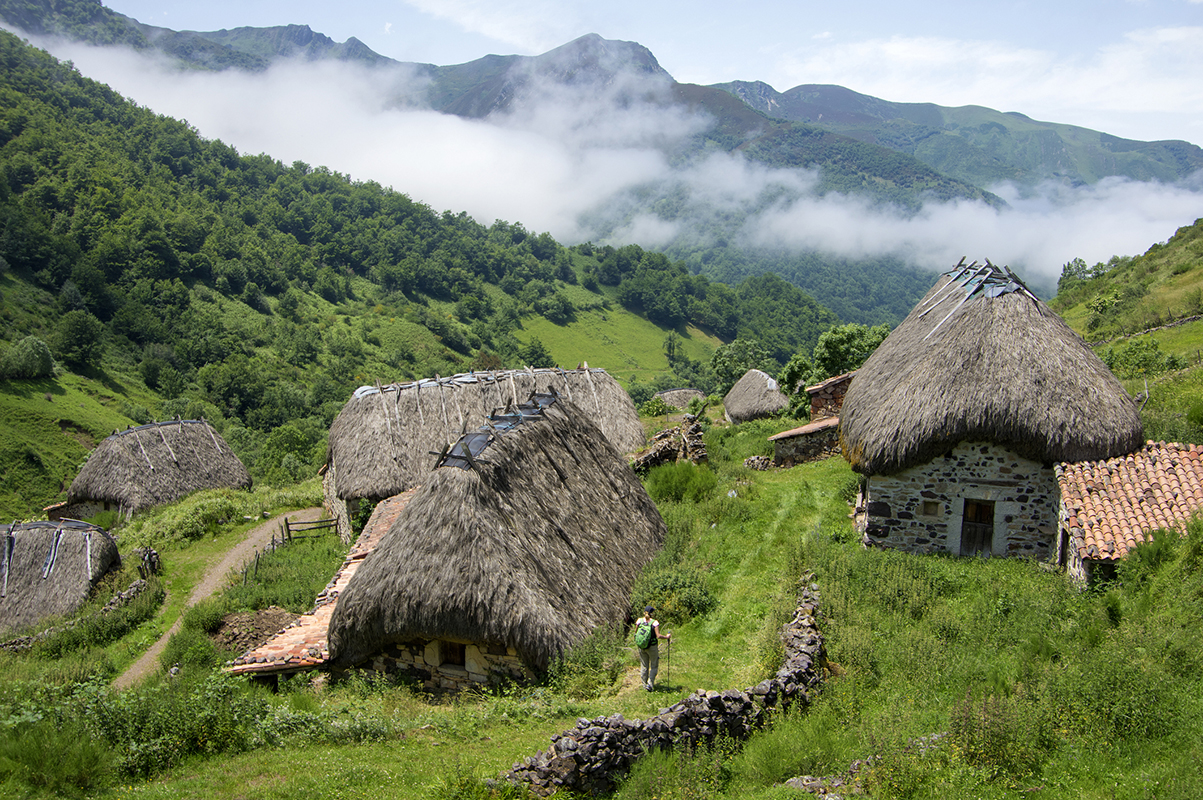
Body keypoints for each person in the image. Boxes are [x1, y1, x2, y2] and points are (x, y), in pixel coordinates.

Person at [635, 605, 671, 691]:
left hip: (641, 646)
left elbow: (636, 633)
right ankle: (650, 685)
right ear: (651, 613)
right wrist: (667, 637)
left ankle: (644, 685)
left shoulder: (639, 621)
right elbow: (658, 636)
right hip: (652, 647)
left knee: (644, 666)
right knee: (654, 665)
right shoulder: (654, 623)